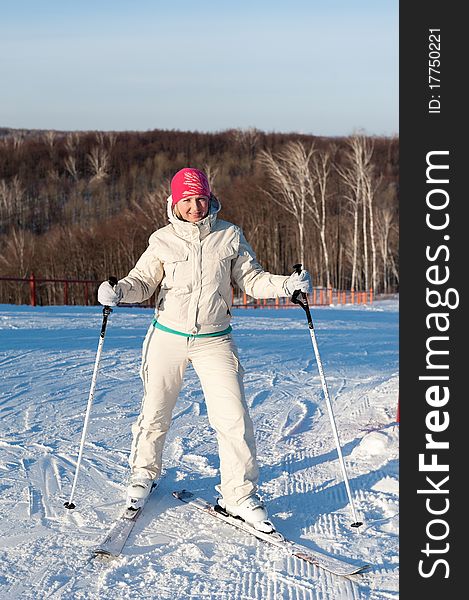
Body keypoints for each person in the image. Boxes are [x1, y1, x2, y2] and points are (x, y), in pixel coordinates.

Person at [97, 167, 311, 532]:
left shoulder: (229, 235)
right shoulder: (162, 240)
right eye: (187, 200)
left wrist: (286, 284)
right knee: (155, 412)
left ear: (209, 198)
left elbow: (251, 279)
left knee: (234, 418)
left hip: (215, 339)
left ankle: (238, 495)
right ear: (174, 203)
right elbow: (143, 281)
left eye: (200, 198)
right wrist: (118, 292)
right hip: (168, 337)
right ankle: (143, 476)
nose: (195, 206)